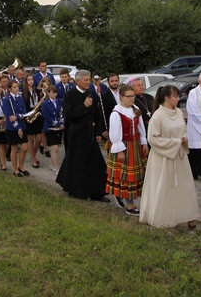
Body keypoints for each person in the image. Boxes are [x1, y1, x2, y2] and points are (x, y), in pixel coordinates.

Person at [140, 85, 200, 228]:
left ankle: (188, 215)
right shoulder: (158, 116)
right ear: (166, 98)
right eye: (175, 96)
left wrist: (184, 138)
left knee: (184, 187)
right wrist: (175, 142)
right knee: (165, 187)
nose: (178, 99)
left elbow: (183, 128)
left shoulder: (179, 112)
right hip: (163, 158)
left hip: (179, 157)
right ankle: (165, 217)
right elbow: (153, 139)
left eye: (178, 96)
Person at [56, 70, 109, 202]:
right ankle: (76, 190)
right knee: (77, 163)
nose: (88, 82)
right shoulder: (70, 95)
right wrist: (83, 106)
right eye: (85, 80)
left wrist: (98, 132)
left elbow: (97, 114)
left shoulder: (91, 93)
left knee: (96, 163)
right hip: (77, 133)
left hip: (90, 133)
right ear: (78, 80)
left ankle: (97, 192)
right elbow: (69, 115)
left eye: (89, 80)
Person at [105, 84, 148, 216]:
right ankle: (129, 204)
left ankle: (125, 197)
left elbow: (141, 128)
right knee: (126, 175)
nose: (131, 99)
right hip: (124, 146)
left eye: (133, 96)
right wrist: (119, 150)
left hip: (135, 145)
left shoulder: (135, 109)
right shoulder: (116, 113)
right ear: (121, 97)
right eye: (128, 96)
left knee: (135, 175)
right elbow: (114, 134)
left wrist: (144, 143)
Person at [2, 80, 29, 177]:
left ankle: (21, 166)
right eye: (14, 87)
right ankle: (15, 169)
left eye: (17, 86)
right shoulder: (6, 99)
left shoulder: (20, 98)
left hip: (22, 125)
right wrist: (18, 128)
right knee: (14, 149)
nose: (17, 88)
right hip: (12, 127)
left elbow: (24, 112)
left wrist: (18, 116)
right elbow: (9, 116)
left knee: (24, 148)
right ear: (9, 89)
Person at [185, 73, 201, 180]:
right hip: (197, 126)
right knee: (197, 150)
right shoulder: (193, 93)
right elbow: (193, 110)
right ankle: (195, 172)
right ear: (200, 81)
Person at [41, 85, 64, 175]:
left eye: (55, 93)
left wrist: (62, 122)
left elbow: (63, 112)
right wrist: (57, 124)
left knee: (55, 148)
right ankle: (57, 168)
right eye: (52, 93)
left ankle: (52, 164)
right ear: (48, 93)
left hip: (59, 128)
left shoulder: (60, 101)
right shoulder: (45, 104)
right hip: (50, 128)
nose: (54, 94)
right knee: (54, 148)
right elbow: (46, 117)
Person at [22, 74, 43, 168]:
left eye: (32, 79)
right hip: (28, 116)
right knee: (30, 139)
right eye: (29, 80)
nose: (31, 81)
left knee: (39, 139)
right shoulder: (23, 93)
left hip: (37, 116)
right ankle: (33, 159)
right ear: (26, 82)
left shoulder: (38, 91)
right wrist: (28, 114)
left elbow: (41, 103)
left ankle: (32, 155)